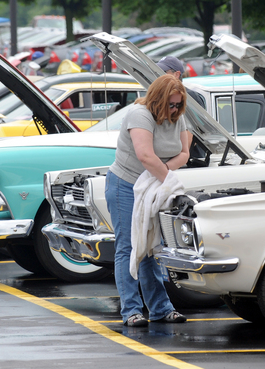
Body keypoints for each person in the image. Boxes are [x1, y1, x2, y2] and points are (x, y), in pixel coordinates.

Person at [105, 74, 189, 327]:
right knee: (129, 247)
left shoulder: (178, 115)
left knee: (152, 247)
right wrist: (170, 181)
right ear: (158, 99)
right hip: (125, 185)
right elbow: (145, 156)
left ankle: (161, 309)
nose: (174, 110)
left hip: (154, 185)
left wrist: (163, 175)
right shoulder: (139, 114)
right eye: (171, 105)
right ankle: (131, 310)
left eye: (178, 105)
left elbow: (185, 153)